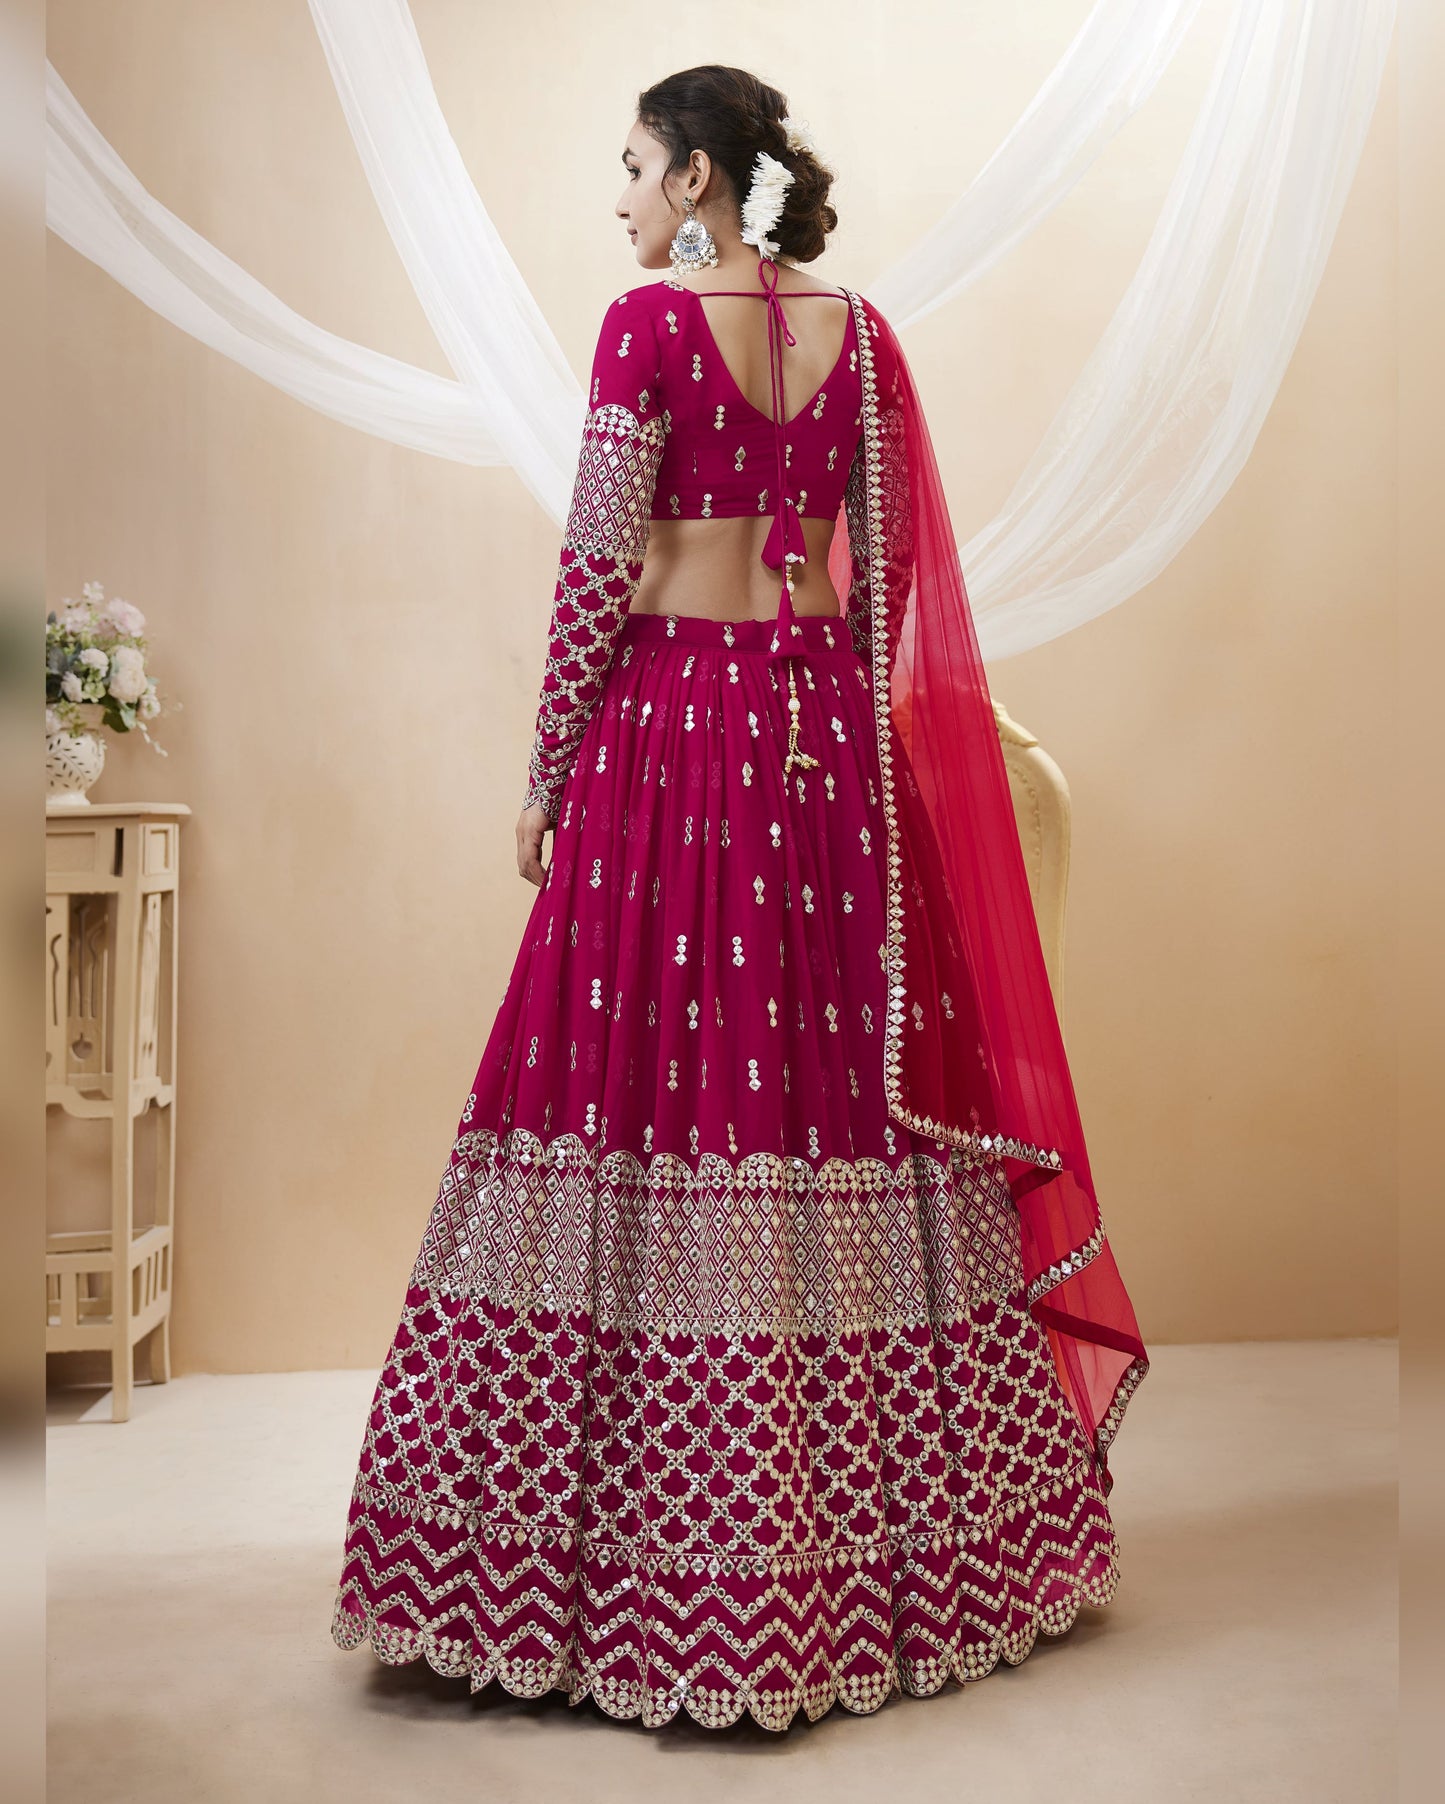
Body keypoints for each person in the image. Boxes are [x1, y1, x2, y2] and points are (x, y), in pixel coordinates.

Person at [330, 65, 1149, 1733]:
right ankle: (892, 1550)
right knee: (825, 1112)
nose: (618, 199)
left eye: (632, 167)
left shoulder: (644, 331)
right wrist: (840, 722)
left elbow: (593, 564)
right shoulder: (865, 337)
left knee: (645, 1090)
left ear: (700, 176)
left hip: (667, 740)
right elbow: (892, 577)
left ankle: (618, 1562)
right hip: (817, 743)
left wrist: (548, 766)